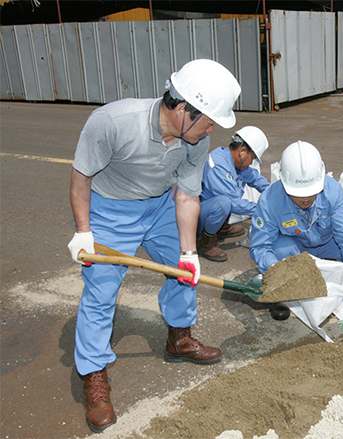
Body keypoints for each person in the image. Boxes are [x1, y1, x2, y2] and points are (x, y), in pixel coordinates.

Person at [66, 59, 241, 433]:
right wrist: (84, 230)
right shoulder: (113, 122)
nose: (212, 129)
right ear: (183, 109)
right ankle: (94, 374)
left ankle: (179, 338)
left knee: (184, 272)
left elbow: (188, 197)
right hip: (111, 211)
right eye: (208, 120)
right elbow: (81, 177)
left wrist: (189, 253)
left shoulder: (197, 138)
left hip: (161, 205)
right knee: (101, 293)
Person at [249, 140, 343, 320]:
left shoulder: (333, 191)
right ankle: (283, 297)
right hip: (294, 248)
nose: (306, 198)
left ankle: (336, 269)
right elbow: (260, 247)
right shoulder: (270, 200)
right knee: (278, 252)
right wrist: (275, 270)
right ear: (284, 182)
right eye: (299, 194)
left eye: (311, 191)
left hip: (328, 243)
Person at [198, 126, 270, 262]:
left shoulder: (236, 163)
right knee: (224, 203)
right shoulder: (219, 165)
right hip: (197, 217)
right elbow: (234, 203)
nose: (251, 163)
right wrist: (264, 209)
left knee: (228, 197)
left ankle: (221, 228)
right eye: (252, 158)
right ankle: (206, 242)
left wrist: (274, 192)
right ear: (242, 152)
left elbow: (255, 178)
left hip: (209, 210)